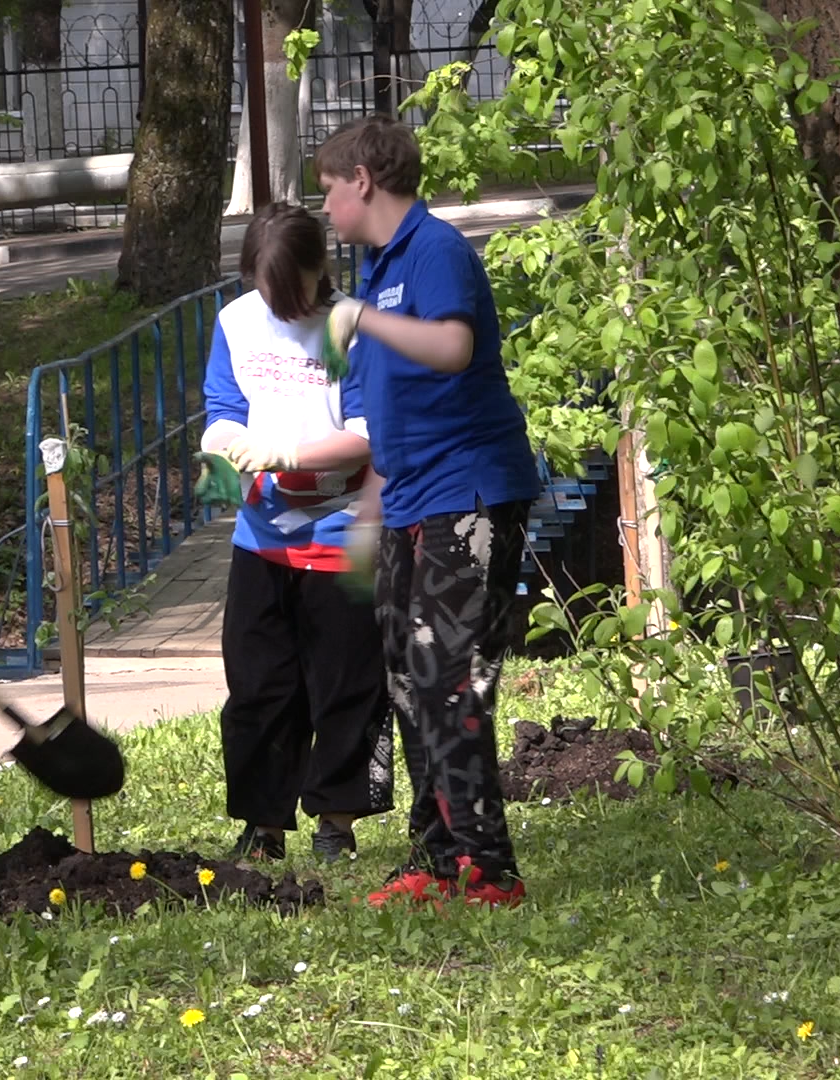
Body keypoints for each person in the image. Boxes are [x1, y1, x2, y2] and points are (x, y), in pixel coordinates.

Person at [316, 116, 542, 908]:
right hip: (410, 500)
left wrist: (358, 318)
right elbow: (386, 411)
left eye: (330, 190)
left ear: (364, 181)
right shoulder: (378, 269)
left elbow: (451, 347)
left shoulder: (436, 251)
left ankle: (489, 872)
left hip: (470, 493)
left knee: (452, 679)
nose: (328, 207)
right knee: (408, 682)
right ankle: (437, 861)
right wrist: (369, 510)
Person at [202, 202, 397, 869]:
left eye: (295, 291)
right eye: (267, 289)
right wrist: (233, 447)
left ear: (321, 269)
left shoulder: (350, 329)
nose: (282, 306)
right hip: (261, 540)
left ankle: (336, 824)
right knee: (258, 686)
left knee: (346, 683)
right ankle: (262, 825)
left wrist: (287, 456)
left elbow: (369, 435)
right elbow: (222, 413)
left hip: (343, 533)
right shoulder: (234, 322)